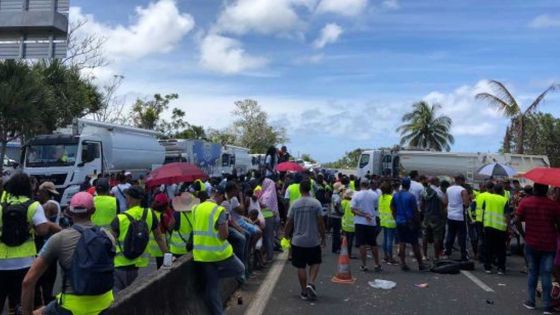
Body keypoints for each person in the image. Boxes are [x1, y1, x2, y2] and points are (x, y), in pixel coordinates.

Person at [21, 192, 115, 315]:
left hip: (71, 307)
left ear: (69, 213)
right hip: (105, 303)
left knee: (40, 312)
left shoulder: (59, 239)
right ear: (93, 211)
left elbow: (28, 281)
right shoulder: (108, 236)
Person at [0, 173, 59, 314]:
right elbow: (43, 230)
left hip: (2, 262)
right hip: (25, 262)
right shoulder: (33, 206)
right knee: (26, 301)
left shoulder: (1, 206)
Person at [192, 189, 245, 315]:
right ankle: (217, 276)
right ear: (217, 197)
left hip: (201, 254)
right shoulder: (219, 210)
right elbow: (224, 235)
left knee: (212, 287)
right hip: (219, 253)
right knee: (240, 269)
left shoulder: (195, 209)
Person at [111, 186, 168, 293]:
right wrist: (168, 256)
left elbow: (110, 243)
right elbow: (159, 238)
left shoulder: (120, 218)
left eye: (127, 196)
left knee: (118, 298)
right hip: (142, 266)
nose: (126, 199)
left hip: (120, 266)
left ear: (133, 199)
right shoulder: (150, 214)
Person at [515, 183, 560, 314]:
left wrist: (524, 235)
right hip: (549, 244)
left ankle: (531, 301)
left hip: (531, 243)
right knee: (546, 274)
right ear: (546, 190)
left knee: (533, 272)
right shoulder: (553, 205)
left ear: (534, 189)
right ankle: (547, 305)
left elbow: (517, 219)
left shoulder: (525, 202)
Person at [284, 180, 326, 301]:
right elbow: (321, 222)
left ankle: (303, 291)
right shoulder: (316, 203)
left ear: (300, 189)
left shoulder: (295, 204)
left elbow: (289, 222)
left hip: (298, 241)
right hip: (313, 240)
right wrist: (323, 237)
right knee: (315, 262)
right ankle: (311, 282)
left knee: (300, 266)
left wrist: (286, 235)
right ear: (310, 189)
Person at [34, 182, 62, 307]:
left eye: (39, 192)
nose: (37, 194)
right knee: (49, 277)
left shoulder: (48, 206)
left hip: (47, 243)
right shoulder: (54, 203)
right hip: (52, 242)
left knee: (45, 278)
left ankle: (47, 306)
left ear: (45, 192)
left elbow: (43, 227)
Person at [392, 177, 426, 271]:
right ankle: (420, 264)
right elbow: (415, 211)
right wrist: (418, 223)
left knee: (402, 243)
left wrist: (396, 218)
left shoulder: (396, 195)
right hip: (410, 222)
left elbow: (393, 208)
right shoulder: (411, 196)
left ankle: (403, 263)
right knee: (414, 243)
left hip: (399, 222)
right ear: (409, 185)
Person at [352, 181, 382, 272]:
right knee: (373, 244)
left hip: (360, 222)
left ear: (360, 185)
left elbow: (353, 210)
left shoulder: (356, 195)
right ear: (368, 185)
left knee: (362, 244)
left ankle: (364, 265)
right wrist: (368, 214)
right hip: (371, 222)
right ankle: (377, 264)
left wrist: (364, 215)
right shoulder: (374, 195)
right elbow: (376, 207)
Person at [481, 183, 509, 274]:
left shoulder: (487, 198)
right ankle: (500, 268)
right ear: (501, 191)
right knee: (501, 249)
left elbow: (484, 210)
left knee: (488, 247)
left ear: (493, 190)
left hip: (488, 225)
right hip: (500, 228)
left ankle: (487, 267)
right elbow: (506, 216)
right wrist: (508, 226)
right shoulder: (504, 200)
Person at [444, 175, 470, 261]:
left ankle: (447, 251)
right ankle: (463, 255)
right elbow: (466, 204)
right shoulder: (463, 190)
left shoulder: (448, 189)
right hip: (460, 216)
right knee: (462, 236)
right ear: (461, 181)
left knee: (450, 234)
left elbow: (446, 201)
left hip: (450, 215)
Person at [421, 177, 447, 261]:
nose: (439, 183)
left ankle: (424, 255)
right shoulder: (438, 191)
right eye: (438, 181)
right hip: (436, 216)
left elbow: (422, 203)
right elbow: (444, 203)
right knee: (436, 237)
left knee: (425, 236)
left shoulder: (425, 190)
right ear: (435, 182)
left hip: (427, 216)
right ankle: (436, 256)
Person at [169, 192, 198, 259]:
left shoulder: (177, 213)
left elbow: (170, 227)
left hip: (176, 249)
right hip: (191, 248)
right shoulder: (196, 213)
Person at [259, 178, 279, 262]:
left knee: (267, 237)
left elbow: (264, 205)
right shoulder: (272, 193)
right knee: (269, 237)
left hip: (266, 217)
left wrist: (258, 202)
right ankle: (269, 255)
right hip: (271, 216)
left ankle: (269, 257)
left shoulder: (266, 195)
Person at [379, 181, 397, 264]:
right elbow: (394, 209)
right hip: (391, 220)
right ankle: (390, 257)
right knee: (390, 240)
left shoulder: (381, 197)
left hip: (383, 220)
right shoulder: (391, 198)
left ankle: (386, 256)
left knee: (385, 239)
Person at [329, 183, 344, 254]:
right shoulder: (337, 196)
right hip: (337, 216)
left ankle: (335, 248)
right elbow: (336, 205)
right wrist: (340, 213)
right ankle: (336, 248)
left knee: (336, 233)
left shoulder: (334, 194)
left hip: (334, 215)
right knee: (337, 233)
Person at [341, 189, 355, 258]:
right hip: (351, 224)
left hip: (344, 222)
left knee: (345, 238)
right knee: (350, 240)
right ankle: (349, 254)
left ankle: (344, 251)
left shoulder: (343, 202)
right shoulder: (352, 203)